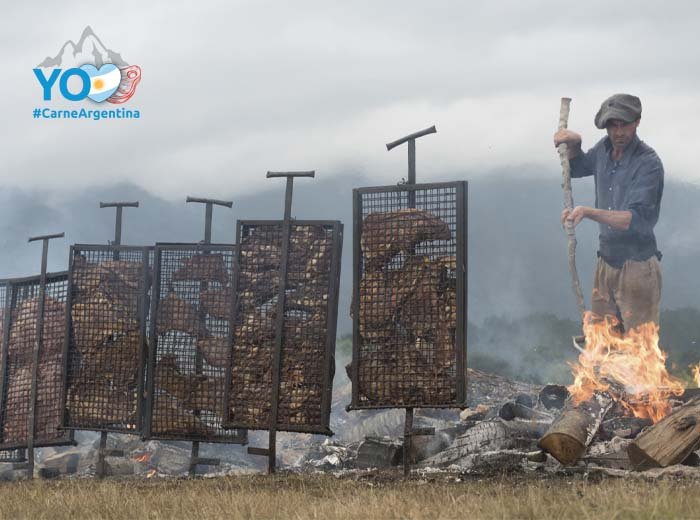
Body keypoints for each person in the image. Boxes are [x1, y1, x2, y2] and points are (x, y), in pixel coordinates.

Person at [553, 93, 664, 332]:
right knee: (603, 343)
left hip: (637, 266)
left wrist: (587, 212)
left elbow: (634, 220)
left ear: (637, 122)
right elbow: (577, 167)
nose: (619, 132)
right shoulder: (604, 150)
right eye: (613, 125)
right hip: (606, 261)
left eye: (624, 124)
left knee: (638, 346)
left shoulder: (648, 163)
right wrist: (575, 144)